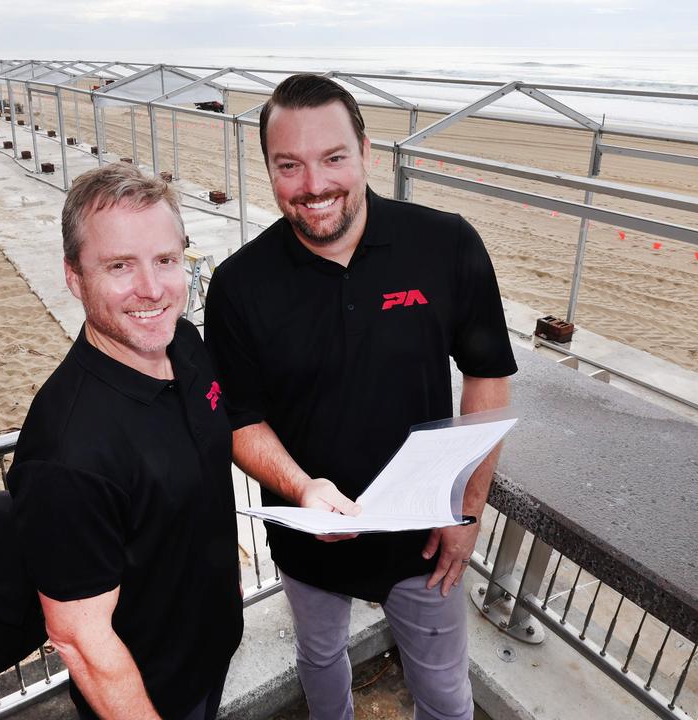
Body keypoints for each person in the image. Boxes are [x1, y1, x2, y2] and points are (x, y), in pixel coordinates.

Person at [204, 74, 517, 720]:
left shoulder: (446, 243)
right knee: (320, 663)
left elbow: (487, 376)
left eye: (333, 158)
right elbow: (240, 418)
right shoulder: (239, 286)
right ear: (268, 168)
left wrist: (466, 510)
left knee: (445, 694)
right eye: (289, 165)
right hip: (307, 539)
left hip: (425, 536)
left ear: (368, 152)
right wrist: (300, 489)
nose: (313, 184)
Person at [8, 163, 243, 720]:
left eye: (166, 260)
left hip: (210, 656)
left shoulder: (183, 343)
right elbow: (81, 643)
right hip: (146, 695)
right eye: (119, 266)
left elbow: (198, 486)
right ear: (74, 277)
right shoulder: (68, 452)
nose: (152, 289)